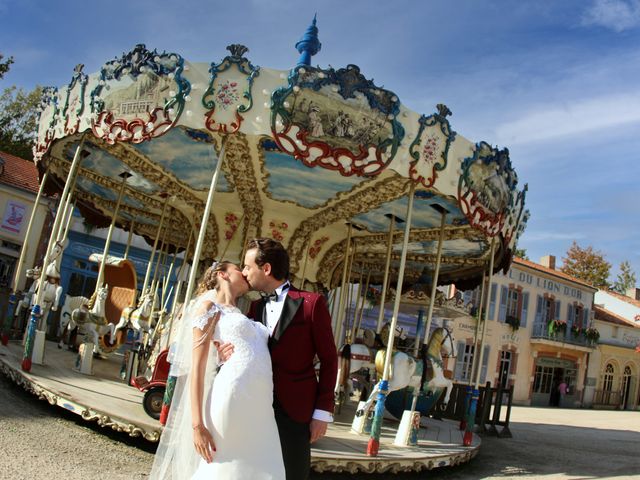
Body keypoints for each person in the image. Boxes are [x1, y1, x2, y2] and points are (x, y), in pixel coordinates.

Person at [149, 262, 285, 479]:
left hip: (260, 403)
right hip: (233, 398)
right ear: (223, 275)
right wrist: (197, 426)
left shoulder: (242, 312)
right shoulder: (209, 308)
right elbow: (197, 368)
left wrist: (219, 358)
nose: (245, 272)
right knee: (227, 468)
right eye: (239, 269)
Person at [219, 238, 338, 480]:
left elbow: (329, 359)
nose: (243, 272)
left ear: (266, 269)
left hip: (295, 409)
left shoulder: (311, 304)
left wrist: (322, 412)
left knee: (292, 472)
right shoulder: (254, 308)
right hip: (256, 403)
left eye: (247, 266)